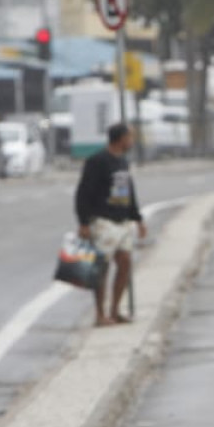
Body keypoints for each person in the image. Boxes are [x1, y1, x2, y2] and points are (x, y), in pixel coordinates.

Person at [74, 122, 145, 327]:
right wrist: (84, 222)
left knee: (124, 262)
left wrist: (137, 218)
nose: (132, 141)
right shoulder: (97, 161)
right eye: (130, 137)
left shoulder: (122, 161)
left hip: (122, 221)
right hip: (103, 220)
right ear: (120, 138)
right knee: (101, 268)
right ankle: (100, 314)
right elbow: (83, 193)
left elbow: (129, 191)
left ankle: (115, 310)